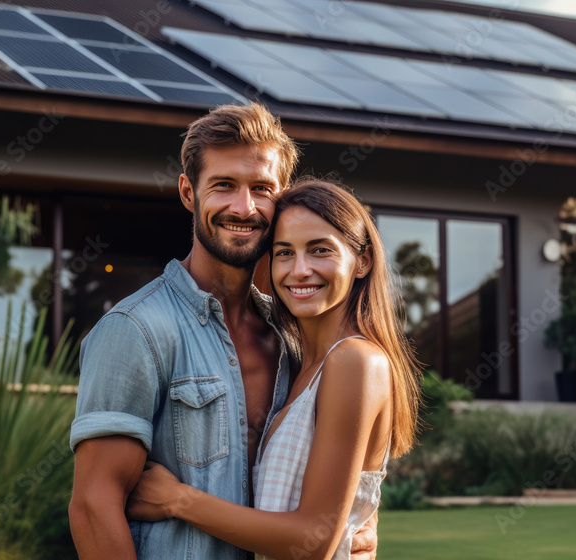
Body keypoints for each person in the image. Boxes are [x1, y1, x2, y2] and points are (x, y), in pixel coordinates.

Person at [68, 104, 379, 559]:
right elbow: (94, 506)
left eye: (261, 188)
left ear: (282, 197)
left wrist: (357, 531)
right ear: (189, 193)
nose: (243, 206)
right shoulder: (136, 330)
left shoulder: (295, 338)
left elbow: (335, 503)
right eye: (224, 185)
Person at [126, 179, 423, 559]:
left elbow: (311, 541)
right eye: (284, 253)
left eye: (320, 250)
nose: (300, 270)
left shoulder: (355, 361)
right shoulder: (300, 363)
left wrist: (177, 500)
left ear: (362, 261)